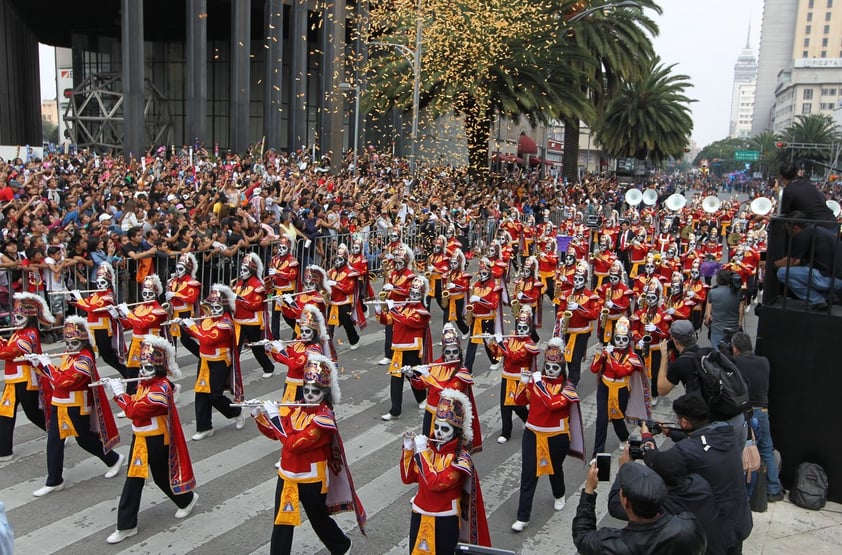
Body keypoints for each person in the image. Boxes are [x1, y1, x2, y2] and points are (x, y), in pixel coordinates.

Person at [250, 353, 364, 555]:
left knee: (318, 518)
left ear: (324, 393)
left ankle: (341, 545)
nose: (309, 394)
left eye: (315, 391)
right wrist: (260, 415)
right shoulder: (296, 408)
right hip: (287, 475)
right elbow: (277, 435)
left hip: (311, 479)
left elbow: (293, 443)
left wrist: (275, 418)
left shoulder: (324, 420)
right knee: (282, 521)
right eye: (307, 389)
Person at [101, 336, 198, 544]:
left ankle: (186, 499)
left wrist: (118, 394)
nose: (142, 372)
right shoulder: (148, 384)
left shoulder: (160, 390)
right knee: (137, 479)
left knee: (158, 476)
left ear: (159, 369)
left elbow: (135, 411)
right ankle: (128, 525)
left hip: (155, 439)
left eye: (148, 368)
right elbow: (136, 404)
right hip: (141, 437)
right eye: (142, 367)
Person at [642, 394, 752, 555]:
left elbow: (659, 462)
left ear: (684, 422)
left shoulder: (685, 451)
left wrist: (646, 441)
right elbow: (702, 439)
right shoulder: (726, 433)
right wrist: (670, 432)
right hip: (739, 521)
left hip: (716, 533)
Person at [26, 316, 124, 497]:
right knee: (54, 440)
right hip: (59, 403)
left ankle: (114, 458)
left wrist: (46, 365)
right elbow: (58, 376)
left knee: (84, 439)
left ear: (83, 341)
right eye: (68, 342)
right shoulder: (70, 355)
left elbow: (64, 381)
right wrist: (37, 363)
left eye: (74, 343)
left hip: (76, 406)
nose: (69, 347)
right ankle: (54, 480)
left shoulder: (85, 360)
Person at [400, 388, 491, 553]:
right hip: (419, 513)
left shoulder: (462, 460)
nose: (439, 433)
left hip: (444, 519)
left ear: (456, 432)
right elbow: (408, 478)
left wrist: (420, 453)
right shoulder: (428, 450)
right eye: (437, 427)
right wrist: (408, 450)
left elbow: (436, 484)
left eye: (445, 429)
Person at [511, 337, 585, 532]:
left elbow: (552, 405)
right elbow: (518, 401)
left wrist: (539, 385)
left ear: (562, 368)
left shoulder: (568, 389)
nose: (550, 371)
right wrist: (523, 383)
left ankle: (559, 494)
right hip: (533, 433)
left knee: (555, 469)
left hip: (557, 436)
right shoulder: (537, 381)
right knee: (528, 474)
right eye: (548, 367)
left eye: (555, 367)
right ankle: (523, 516)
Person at [573, 459, 707, 555]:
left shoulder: (616, 546)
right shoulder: (688, 526)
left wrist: (589, 490)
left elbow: (582, 536)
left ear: (626, 502)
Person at [657, 319, 747, 448]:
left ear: (675, 341)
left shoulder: (681, 363)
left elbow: (662, 389)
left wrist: (664, 357)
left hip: (714, 428)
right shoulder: (708, 353)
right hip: (736, 418)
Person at [608, 448, 717, 552]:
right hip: (712, 541)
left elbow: (615, 506)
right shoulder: (700, 484)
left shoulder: (659, 503)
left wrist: (624, 471)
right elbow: (670, 466)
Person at [181, 284, 245, 440]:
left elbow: (209, 339)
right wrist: (185, 326)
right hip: (204, 361)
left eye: (217, 307)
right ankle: (204, 427)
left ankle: (236, 411)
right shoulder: (207, 319)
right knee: (201, 394)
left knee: (214, 396)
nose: (213, 310)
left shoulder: (226, 323)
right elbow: (200, 333)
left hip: (219, 362)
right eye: (211, 306)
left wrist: (193, 328)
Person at [409, 324, 481, 452]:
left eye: (455, 352)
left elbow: (447, 393)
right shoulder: (436, 364)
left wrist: (428, 376)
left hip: (447, 418)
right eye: (448, 352)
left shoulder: (462, 373)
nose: (452, 355)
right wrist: (411, 375)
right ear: (443, 352)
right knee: (427, 446)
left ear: (459, 352)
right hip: (430, 414)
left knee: (444, 450)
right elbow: (420, 385)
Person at [731, 332, 784, 502]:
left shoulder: (736, 362)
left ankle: (742, 487)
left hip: (746, 412)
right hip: (763, 412)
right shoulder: (764, 362)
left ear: (735, 349)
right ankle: (774, 489)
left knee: (742, 450)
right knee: (766, 449)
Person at [0, 293, 54, 461]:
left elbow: (10, 352)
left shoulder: (30, 334)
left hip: (26, 379)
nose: (15, 320)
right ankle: (4, 450)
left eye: (19, 316)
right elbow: (8, 348)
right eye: (14, 316)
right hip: (13, 379)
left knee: (32, 413)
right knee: (5, 412)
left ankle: (56, 433)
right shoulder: (19, 333)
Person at [589, 316, 648, 457]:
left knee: (617, 418)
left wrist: (610, 357)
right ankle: (597, 453)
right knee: (601, 420)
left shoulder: (632, 357)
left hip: (621, 390)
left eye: (624, 339)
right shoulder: (608, 351)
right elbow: (594, 369)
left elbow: (621, 371)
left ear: (628, 341)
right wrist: (600, 355)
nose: (620, 342)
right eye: (618, 339)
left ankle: (624, 437)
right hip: (605, 387)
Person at [377, 276, 430, 421]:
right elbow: (388, 320)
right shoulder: (401, 307)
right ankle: (395, 410)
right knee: (396, 378)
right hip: (398, 348)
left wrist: (393, 309)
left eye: (416, 295)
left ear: (421, 296)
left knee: (413, 375)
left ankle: (421, 398)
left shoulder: (422, 312)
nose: (413, 297)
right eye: (411, 293)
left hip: (412, 348)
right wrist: (379, 308)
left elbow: (407, 322)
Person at [485, 307, 540, 444]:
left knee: (517, 404)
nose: (521, 331)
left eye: (524, 328)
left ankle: (527, 418)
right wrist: (490, 343)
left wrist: (501, 344)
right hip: (506, 376)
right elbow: (498, 354)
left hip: (520, 378)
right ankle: (506, 432)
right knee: (505, 405)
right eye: (519, 328)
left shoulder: (529, 344)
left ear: (529, 329)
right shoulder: (511, 338)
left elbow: (515, 357)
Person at [70, 262, 128, 378]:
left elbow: (93, 308)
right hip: (91, 329)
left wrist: (79, 300)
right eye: (98, 283)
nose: (100, 285)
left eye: (103, 282)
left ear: (108, 283)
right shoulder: (95, 294)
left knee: (107, 356)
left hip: (102, 329)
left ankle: (127, 373)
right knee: (90, 354)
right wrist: (73, 299)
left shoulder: (108, 296)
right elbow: (86, 304)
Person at [774, 210, 842, 309]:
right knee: (805, 267)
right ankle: (828, 296)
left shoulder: (803, 235)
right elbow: (799, 262)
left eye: (788, 231)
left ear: (796, 228)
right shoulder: (816, 231)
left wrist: (773, 265)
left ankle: (817, 300)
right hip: (837, 280)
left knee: (782, 273)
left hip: (828, 279)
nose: (789, 234)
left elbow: (789, 262)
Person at [233, 252, 276, 378]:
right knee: (235, 348)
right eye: (241, 269)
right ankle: (231, 373)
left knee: (256, 347)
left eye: (244, 269)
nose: (242, 272)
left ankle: (268, 367)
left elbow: (255, 305)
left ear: (251, 270)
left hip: (252, 321)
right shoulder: (239, 283)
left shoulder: (258, 286)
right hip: (238, 321)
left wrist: (240, 299)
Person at [777, 164, 837, 229]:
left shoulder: (788, 191)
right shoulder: (807, 184)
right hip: (833, 223)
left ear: (782, 177)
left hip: (818, 229)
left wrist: (778, 192)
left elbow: (783, 215)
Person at [326, 243, 362, 350]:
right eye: (336, 258)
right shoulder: (331, 272)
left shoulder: (350, 273)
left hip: (345, 301)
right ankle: (328, 343)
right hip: (332, 301)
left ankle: (354, 339)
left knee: (346, 322)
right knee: (329, 323)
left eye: (340, 259)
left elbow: (349, 289)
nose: (337, 261)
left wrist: (336, 284)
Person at [165, 252, 201, 357]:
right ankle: (171, 360)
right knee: (172, 338)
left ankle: (201, 355)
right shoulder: (174, 281)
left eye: (180, 269)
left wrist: (175, 294)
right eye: (177, 269)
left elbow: (191, 299)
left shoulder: (192, 283)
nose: (177, 272)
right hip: (173, 312)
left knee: (185, 339)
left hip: (185, 312)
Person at [704, 269, 743, 352]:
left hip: (717, 329)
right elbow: (741, 308)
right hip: (734, 328)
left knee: (718, 353)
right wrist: (739, 322)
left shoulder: (713, 292)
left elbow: (708, 311)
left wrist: (708, 316)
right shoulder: (738, 292)